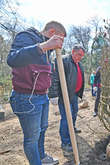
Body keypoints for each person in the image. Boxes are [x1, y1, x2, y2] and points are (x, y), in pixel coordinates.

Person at [7, 21, 66, 165]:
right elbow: (12, 59)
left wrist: (52, 95)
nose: (61, 43)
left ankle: (41, 157)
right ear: (52, 33)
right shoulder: (25, 37)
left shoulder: (48, 50)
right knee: (32, 138)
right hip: (26, 98)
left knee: (42, 129)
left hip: (42, 95)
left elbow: (45, 74)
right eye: (60, 38)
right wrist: (44, 46)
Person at [49, 45, 85, 153]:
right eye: (79, 54)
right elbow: (54, 77)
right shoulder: (62, 60)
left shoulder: (79, 64)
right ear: (73, 51)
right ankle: (65, 142)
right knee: (66, 118)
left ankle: (72, 129)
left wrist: (79, 93)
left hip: (73, 95)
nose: (80, 57)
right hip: (64, 96)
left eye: (82, 56)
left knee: (74, 113)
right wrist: (53, 94)